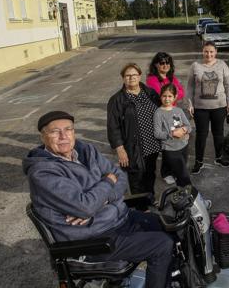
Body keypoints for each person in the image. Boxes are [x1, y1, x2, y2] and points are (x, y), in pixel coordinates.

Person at [24, 111, 174, 288]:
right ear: (43, 136)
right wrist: (108, 181)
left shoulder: (85, 150)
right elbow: (85, 207)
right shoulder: (43, 172)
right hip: (92, 239)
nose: (63, 136)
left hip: (117, 219)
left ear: (74, 131)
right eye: (55, 131)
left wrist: (101, 201)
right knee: (162, 245)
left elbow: (121, 177)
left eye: (68, 129)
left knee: (171, 225)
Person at [107, 63, 161, 195]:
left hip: (152, 143)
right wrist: (120, 149)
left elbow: (163, 112)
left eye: (134, 75)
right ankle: (141, 207)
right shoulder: (117, 100)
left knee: (150, 172)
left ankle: (150, 197)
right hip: (132, 146)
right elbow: (113, 127)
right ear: (123, 78)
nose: (131, 78)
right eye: (128, 75)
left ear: (140, 76)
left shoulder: (150, 93)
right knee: (136, 177)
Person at [187, 41, 229, 174]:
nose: (209, 54)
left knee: (218, 133)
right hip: (200, 107)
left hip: (219, 106)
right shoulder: (195, 66)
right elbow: (190, 86)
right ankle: (199, 162)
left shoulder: (222, 65)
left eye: (211, 51)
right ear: (202, 52)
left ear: (216, 52)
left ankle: (219, 158)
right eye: (206, 51)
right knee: (201, 135)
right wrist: (190, 104)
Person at [146, 52, 186, 185]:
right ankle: (166, 172)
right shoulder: (152, 79)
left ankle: (174, 170)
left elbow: (181, 92)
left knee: (175, 141)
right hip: (162, 114)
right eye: (162, 62)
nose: (165, 65)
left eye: (167, 62)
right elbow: (160, 96)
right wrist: (172, 95)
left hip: (174, 113)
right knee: (166, 144)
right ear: (156, 64)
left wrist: (171, 96)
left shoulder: (171, 77)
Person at [153, 84, 193, 187]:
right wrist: (172, 134)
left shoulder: (178, 111)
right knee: (183, 174)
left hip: (183, 145)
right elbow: (157, 133)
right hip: (170, 148)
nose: (167, 99)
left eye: (170, 96)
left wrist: (184, 130)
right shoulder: (158, 113)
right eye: (164, 96)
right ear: (160, 96)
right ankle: (188, 192)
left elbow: (188, 126)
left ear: (175, 97)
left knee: (180, 166)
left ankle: (168, 173)